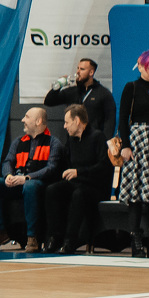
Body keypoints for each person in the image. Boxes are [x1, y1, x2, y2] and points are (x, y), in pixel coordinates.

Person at [0, 107, 64, 253]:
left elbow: (51, 168)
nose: (22, 120)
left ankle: (32, 237)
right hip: (17, 183)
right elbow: (8, 161)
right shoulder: (18, 142)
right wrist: (8, 176)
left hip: (40, 185)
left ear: (38, 121)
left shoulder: (53, 143)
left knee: (30, 186)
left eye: (26, 117)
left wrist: (27, 178)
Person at [42, 104, 112, 255]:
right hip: (76, 183)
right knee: (52, 190)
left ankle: (70, 240)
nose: (64, 126)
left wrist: (79, 172)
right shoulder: (71, 139)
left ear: (77, 121)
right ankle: (54, 237)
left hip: (95, 186)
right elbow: (66, 162)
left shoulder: (97, 137)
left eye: (67, 122)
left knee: (78, 194)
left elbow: (104, 167)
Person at [115, 49, 149, 258]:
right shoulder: (132, 87)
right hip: (137, 140)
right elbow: (123, 118)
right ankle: (135, 239)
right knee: (135, 194)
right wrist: (125, 145)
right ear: (141, 67)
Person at [44, 57, 116, 139]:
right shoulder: (72, 91)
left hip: (94, 140)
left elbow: (110, 120)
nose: (78, 72)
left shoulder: (103, 93)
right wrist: (59, 85)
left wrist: (105, 141)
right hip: (73, 140)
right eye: (77, 68)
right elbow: (48, 101)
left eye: (82, 69)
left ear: (91, 72)